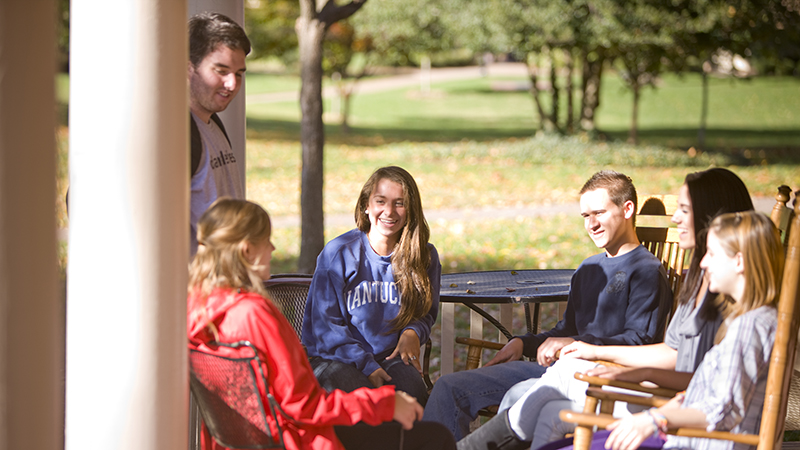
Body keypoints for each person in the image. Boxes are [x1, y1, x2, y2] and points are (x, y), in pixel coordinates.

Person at [455, 168, 756, 450]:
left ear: (715, 218)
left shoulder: (735, 306)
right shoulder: (702, 281)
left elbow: (705, 385)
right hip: (657, 390)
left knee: (560, 375)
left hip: (673, 408)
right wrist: (544, 344)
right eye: (586, 215)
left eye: (685, 210)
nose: (675, 218)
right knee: (548, 407)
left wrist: (600, 357)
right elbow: (677, 357)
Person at [187, 198, 456, 450]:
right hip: (300, 439)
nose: (272, 249)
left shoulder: (197, 309)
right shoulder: (254, 315)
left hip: (247, 440)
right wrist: (384, 404)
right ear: (247, 250)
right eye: (267, 241)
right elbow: (303, 405)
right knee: (435, 438)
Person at [424, 170, 674, 440]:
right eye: (585, 217)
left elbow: (639, 342)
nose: (592, 225)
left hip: (596, 376)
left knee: (517, 396)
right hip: (554, 369)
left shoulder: (646, 271)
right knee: (448, 387)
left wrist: (573, 344)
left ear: (627, 209)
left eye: (599, 213)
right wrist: (524, 343)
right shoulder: (589, 267)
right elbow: (566, 329)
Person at [540, 210, 784, 450]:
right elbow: (703, 391)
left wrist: (653, 420)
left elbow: (723, 409)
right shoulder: (746, 321)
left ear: (739, 261)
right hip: (679, 434)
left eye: (711, 253)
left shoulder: (750, 326)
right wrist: (646, 379)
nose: (703, 262)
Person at [302, 166, 441, 405]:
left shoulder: (423, 256)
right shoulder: (338, 254)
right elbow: (326, 329)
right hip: (333, 358)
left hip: (390, 357)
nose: (389, 211)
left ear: (411, 209)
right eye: (381, 201)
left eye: (399, 203)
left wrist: (413, 332)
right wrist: (367, 367)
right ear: (366, 205)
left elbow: (425, 312)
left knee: (413, 395)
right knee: (366, 400)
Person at [188, 12, 250, 257]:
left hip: (224, 287)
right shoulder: (173, 135)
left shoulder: (213, 122)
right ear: (188, 66)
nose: (232, 84)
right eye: (221, 71)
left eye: (239, 73)